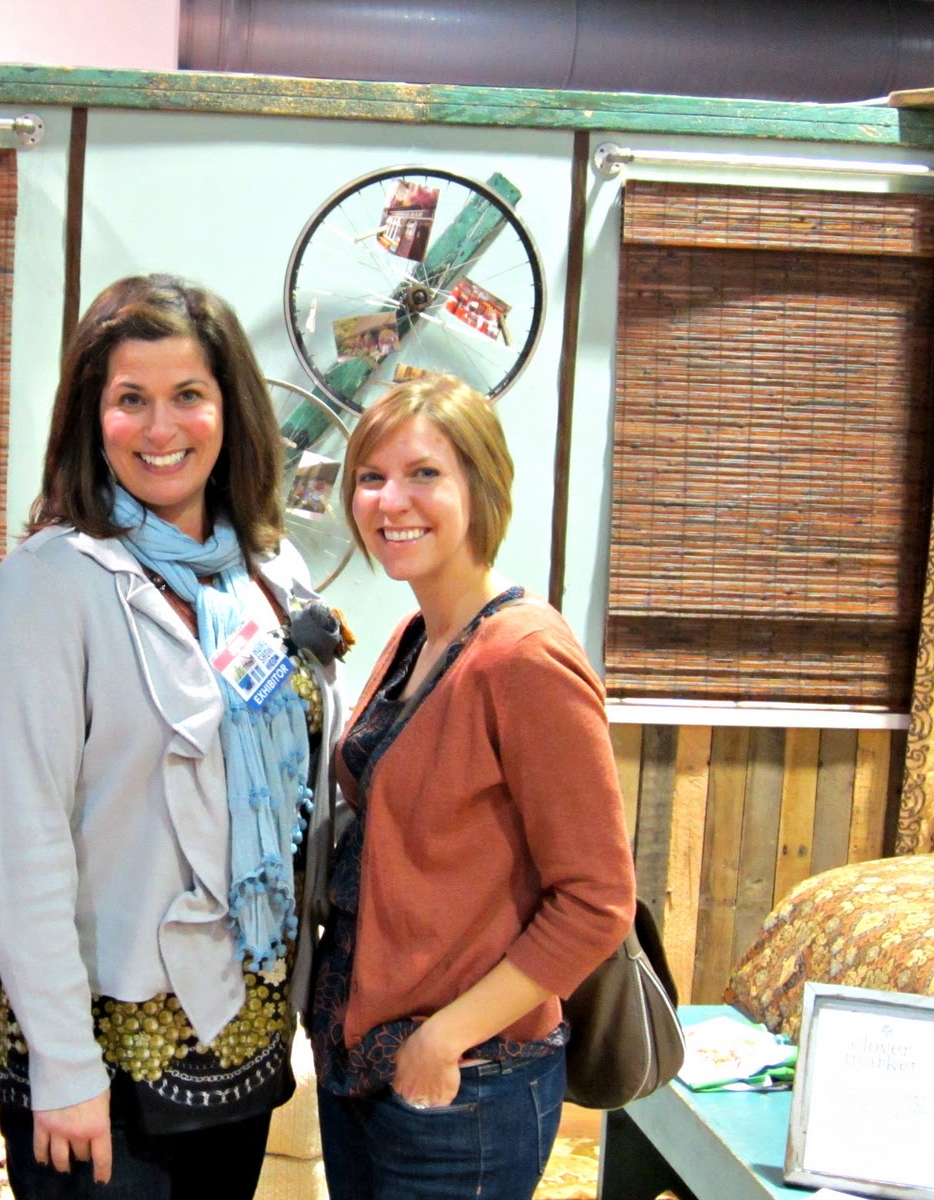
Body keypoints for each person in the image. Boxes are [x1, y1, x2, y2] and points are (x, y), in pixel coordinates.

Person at [0, 273, 346, 1198]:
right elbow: (21, 840)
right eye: (130, 399)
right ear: (90, 418)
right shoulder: (48, 584)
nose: (161, 427)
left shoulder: (269, 571)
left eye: (188, 395)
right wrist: (64, 1066)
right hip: (100, 1058)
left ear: (230, 409)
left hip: (243, 1036)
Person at [309, 373, 636, 1200]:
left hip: (466, 1084)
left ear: (480, 487)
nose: (391, 500)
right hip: (365, 1060)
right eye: (372, 477)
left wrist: (445, 1038)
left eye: (424, 473)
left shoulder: (524, 658)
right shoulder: (414, 635)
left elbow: (596, 900)